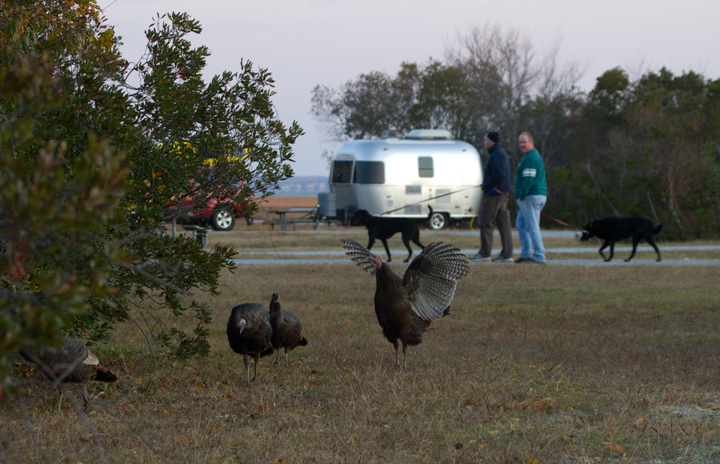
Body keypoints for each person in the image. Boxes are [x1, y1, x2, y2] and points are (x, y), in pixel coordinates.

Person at [470, 132, 513, 263]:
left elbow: (499, 173)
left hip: (495, 194)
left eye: (485, 141)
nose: (484, 143)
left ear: (491, 142)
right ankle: (507, 254)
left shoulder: (497, 154)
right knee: (503, 224)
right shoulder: (499, 153)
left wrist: (487, 184)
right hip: (502, 193)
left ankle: (485, 253)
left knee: (484, 221)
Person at [514, 132, 547, 264]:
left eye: (524, 142)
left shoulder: (531, 158)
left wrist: (521, 195)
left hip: (531, 197)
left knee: (532, 226)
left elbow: (528, 179)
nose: (522, 145)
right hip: (531, 197)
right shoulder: (528, 156)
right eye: (520, 142)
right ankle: (526, 253)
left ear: (531, 143)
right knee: (521, 224)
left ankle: (539, 256)